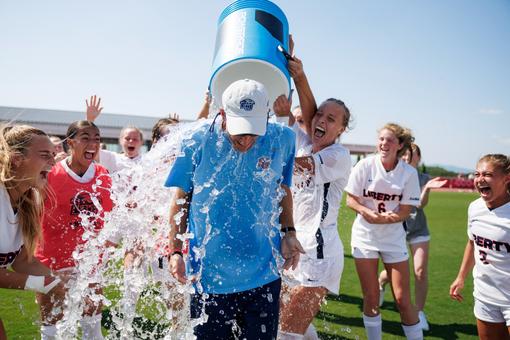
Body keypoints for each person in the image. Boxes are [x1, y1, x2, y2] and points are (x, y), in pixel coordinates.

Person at [166, 79, 304, 339]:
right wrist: (174, 250)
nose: (247, 139)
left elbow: (282, 189)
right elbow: (181, 199)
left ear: (267, 116)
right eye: (240, 130)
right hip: (209, 278)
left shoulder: (283, 138)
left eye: (254, 130)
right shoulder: (197, 141)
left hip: (264, 274)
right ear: (222, 115)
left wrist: (289, 231)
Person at [273, 55, 352, 340]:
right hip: (293, 249)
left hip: (320, 254)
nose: (321, 120)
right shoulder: (305, 142)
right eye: (319, 115)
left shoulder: (339, 156)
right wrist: (295, 79)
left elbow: (293, 165)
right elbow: (299, 120)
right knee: (297, 328)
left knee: (285, 333)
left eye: (331, 119)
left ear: (341, 129)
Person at [35, 120, 113, 340]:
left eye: (97, 139)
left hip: (90, 262)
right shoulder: (50, 174)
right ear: (71, 142)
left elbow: (110, 216)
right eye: (86, 138)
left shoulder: (102, 175)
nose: (93, 143)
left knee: (92, 325)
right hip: (53, 261)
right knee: (51, 327)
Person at [344, 123, 423, 340]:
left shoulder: (408, 173)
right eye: (381, 139)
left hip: (393, 238)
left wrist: (392, 217)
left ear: (399, 145)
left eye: (389, 140)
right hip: (365, 236)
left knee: (402, 299)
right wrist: (365, 212)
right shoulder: (365, 165)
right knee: (370, 297)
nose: (383, 144)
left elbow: (406, 210)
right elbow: (351, 199)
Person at [0, 124, 64, 340]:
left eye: (53, 155)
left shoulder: (29, 199)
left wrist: (58, 281)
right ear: (17, 159)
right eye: (45, 155)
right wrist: (40, 283)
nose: (53, 162)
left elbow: (22, 261)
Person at [378, 144, 447, 331]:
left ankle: (419, 312)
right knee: (395, 273)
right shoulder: (395, 176)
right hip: (397, 231)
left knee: (420, 271)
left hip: (419, 231)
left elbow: (421, 204)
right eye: (405, 155)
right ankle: (381, 282)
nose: (407, 159)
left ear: (418, 159)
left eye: (411, 156)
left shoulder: (424, 178)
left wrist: (427, 188)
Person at [449, 154, 510, 340]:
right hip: (485, 295)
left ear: (507, 179)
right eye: (477, 174)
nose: (480, 179)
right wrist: (460, 277)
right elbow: (472, 242)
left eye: (488, 174)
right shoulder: (475, 207)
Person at [85, 95, 144, 173]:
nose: (131, 141)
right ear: (120, 141)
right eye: (127, 138)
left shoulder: (147, 161)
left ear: (141, 142)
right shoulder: (112, 158)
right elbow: (88, 147)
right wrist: (90, 120)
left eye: (135, 139)